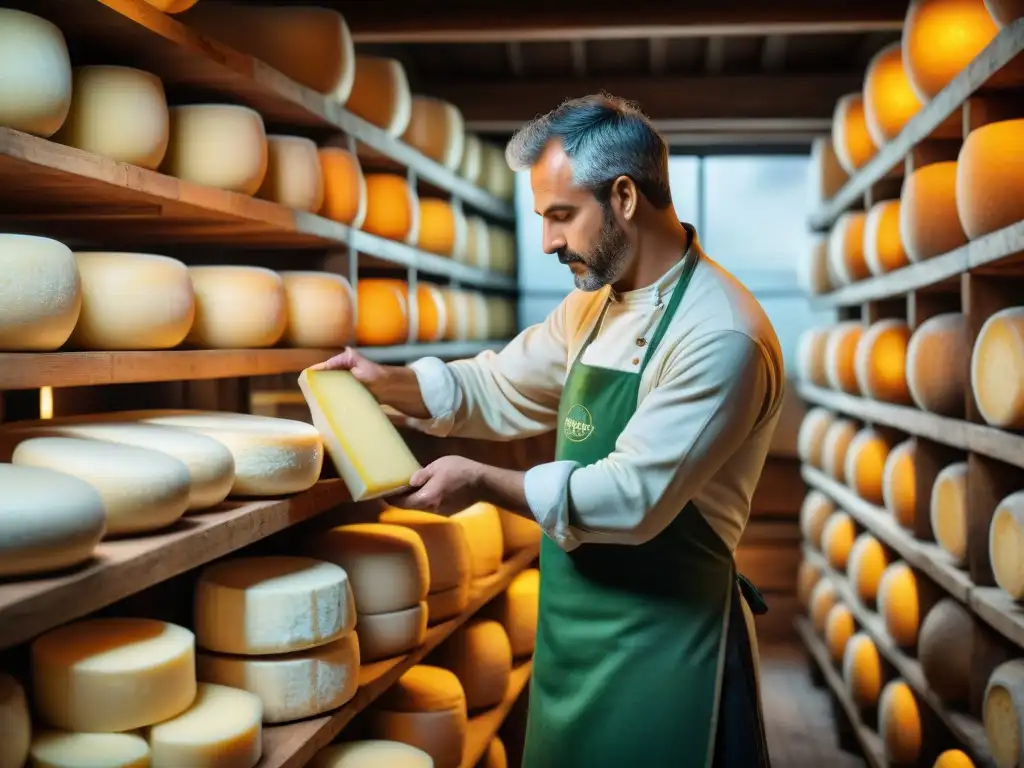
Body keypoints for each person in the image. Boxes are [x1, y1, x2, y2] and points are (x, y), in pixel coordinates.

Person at [316, 93, 784, 767]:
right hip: (573, 637)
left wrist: (481, 481)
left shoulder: (721, 333)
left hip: (665, 651)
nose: (548, 242)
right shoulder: (591, 306)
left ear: (624, 196)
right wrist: (387, 382)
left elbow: (631, 499)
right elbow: (499, 384)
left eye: (561, 215)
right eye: (543, 218)